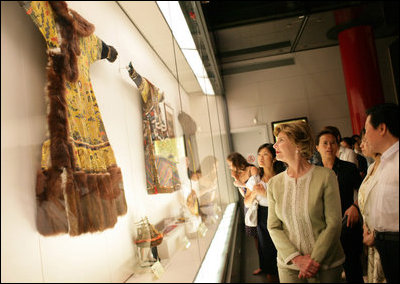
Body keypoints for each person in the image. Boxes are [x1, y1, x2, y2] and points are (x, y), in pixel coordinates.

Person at [267, 121, 344, 282]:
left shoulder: (326, 176)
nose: (275, 145)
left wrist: (313, 260)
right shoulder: (274, 184)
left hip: (326, 264)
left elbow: (334, 223)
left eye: (280, 140)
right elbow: (273, 226)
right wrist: (296, 258)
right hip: (289, 266)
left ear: (297, 145)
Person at [315, 130, 364, 283]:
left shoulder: (349, 168)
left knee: (353, 269)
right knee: (327, 273)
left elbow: (364, 190)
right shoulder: (313, 172)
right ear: (317, 147)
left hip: (347, 223)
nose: (329, 146)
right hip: (323, 228)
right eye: (325, 143)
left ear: (337, 146)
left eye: (333, 142)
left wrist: (356, 206)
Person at [362, 103, 399, 283]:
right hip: (383, 242)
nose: (365, 136)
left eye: (367, 129)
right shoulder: (383, 163)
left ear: (382, 128)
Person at [244, 143, 285, 282]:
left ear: (274, 158)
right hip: (263, 215)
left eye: (265, 154)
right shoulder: (255, 180)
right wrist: (255, 193)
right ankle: (272, 274)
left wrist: (265, 193)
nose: (260, 158)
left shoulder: (282, 177)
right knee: (266, 246)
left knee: (283, 244)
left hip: (281, 213)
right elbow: (246, 202)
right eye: (259, 154)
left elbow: (285, 201)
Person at [357, 129, 385, 283]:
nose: (361, 145)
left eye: (365, 140)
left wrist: (375, 234)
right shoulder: (371, 167)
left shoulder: (388, 167)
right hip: (370, 233)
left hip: (382, 234)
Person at [226, 152, 261, 274]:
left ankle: (270, 264)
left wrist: (242, 184)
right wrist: (237, 181)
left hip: (260, 203)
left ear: (236, 162)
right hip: (249, 205)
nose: (230, 168)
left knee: (264, 234)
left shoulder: (252, 169)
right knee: (255, 236)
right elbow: (244, 195)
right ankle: (262, 264)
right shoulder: (238, 176)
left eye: (230, 165)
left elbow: (256, 187)